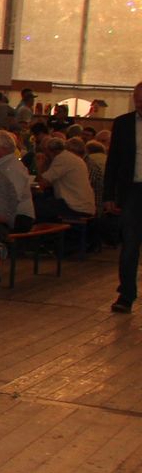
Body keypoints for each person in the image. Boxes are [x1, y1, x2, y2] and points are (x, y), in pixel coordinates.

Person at [106, 80, 141, 313]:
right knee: (130, 244)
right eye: (137, 100)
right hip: (132, 191)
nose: (140, 104)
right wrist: (109, 195)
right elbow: (113, 161)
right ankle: (126, 295)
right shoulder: (123, 124)